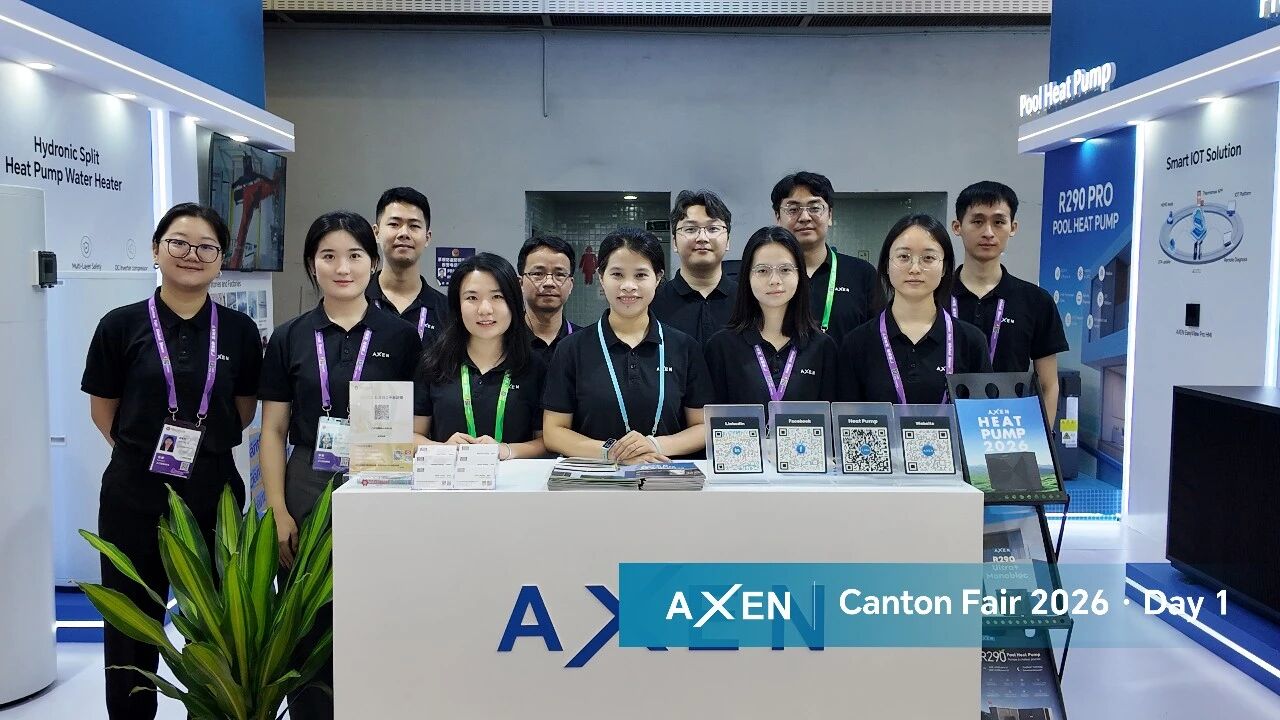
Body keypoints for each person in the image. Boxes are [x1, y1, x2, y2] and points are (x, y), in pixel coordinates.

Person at [81, 203, 263, 720]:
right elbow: (103, 412)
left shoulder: (239, 331)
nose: (191, 255)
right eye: (179, 243)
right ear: (156, 249)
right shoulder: (120, 325)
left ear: (221, 260)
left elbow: (243, 411)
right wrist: (146, 454)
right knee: (131, 622)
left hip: (213, 492)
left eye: (206, 247)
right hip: (134, 493)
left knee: (217, 626)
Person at [258, 210, 422, 720]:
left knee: (377, 606)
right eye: (328, 256)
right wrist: (278, 510)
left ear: (373, 263)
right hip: (308, 477)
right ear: (312, 265)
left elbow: (417, 426)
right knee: (307, 616)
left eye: (354, 255)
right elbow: (273, 431)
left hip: (383, 475)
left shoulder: (401, 337)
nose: (342, 268)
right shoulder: (289, 337)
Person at [543, 228, 712, 463]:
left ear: (658, 278)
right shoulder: (572, 349)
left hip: (665, 477)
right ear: (601, 277)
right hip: (597, 477)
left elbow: (703, 426)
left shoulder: (684, 347)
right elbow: (554, 432)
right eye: (617, 274)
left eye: (641, 275)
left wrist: (655, 445)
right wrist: (613, 452)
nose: (628, 286)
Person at [838, 215, 991, 404]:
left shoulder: (971, 341)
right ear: (887, 265)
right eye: (904, 257)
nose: (915, 268)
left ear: (944, 268)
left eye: (928, 258)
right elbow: (848, 417)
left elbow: (981, 416)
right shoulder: (857, 343)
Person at [951, 181, 1069, 421]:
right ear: (957, 227)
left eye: (998, 222)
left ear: (1013, 227)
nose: (988, 232)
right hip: (947, 426)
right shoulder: (935, 297)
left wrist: (1042, 438)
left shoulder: (1036, 301)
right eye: (977, 221)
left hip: (1009, 429)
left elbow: (1048, 385)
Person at [416, 253, 547, 458]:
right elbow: (412, 436)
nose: (485, 309)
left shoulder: (535, 367)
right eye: (472, 298)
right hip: (449, 476)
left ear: (513, 302)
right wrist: (441, 449)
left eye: (497, 297)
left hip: (513, 477)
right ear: (457, 305)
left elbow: (547, 441)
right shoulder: (435, 363)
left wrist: (506, 450)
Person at [705, 227, 837, 405]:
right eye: (762, 270)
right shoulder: (721, 347)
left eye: (785, 269)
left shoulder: (823, 347)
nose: (775, 280)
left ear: (800, 275)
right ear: (747, 277)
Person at [771, 171, 877, 341]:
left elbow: (878, 338)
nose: (804, 217)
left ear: (830, 215)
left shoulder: (862, 274)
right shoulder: (764, 275)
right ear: (777, 217)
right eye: (793, 209)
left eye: (814, 208)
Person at [650, 189, 737, 344]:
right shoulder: (652, 302)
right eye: (690, 229)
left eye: (713, 229)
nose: (702, 238)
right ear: (674, 242)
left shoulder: (748, 301)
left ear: (728, 241)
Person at [365, 186, 449, 345]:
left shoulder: (448, 312)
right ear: (376, 233)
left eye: (414, 226)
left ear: (427, 237)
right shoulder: (355, 300)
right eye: (394, 224)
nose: (404, 233)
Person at [517, 235, 576, 362]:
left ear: (571, 284)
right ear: (521, 283)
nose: (549, 283)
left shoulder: (586, 343)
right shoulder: (501, 340)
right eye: (538, 274)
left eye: (560, 274)